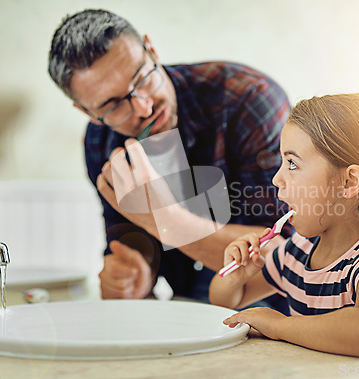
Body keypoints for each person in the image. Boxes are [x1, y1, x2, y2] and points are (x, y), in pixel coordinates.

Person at [48, 9, 291, 309]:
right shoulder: (100, 142)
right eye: (113, 105)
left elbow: (285, 254)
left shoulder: (249, 100)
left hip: (282, 311)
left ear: (152, 50)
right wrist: (136, 273)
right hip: (186, 308)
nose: (143, 107)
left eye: (142, 78)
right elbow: (131, 241)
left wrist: (166, 220)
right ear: (88, 113)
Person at [209, 93, 359, 360]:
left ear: (349, 182)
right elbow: (225, 301)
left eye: (292, 163)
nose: (277, 178)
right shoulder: (296, 252)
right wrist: (237, 277)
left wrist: (279, 325)